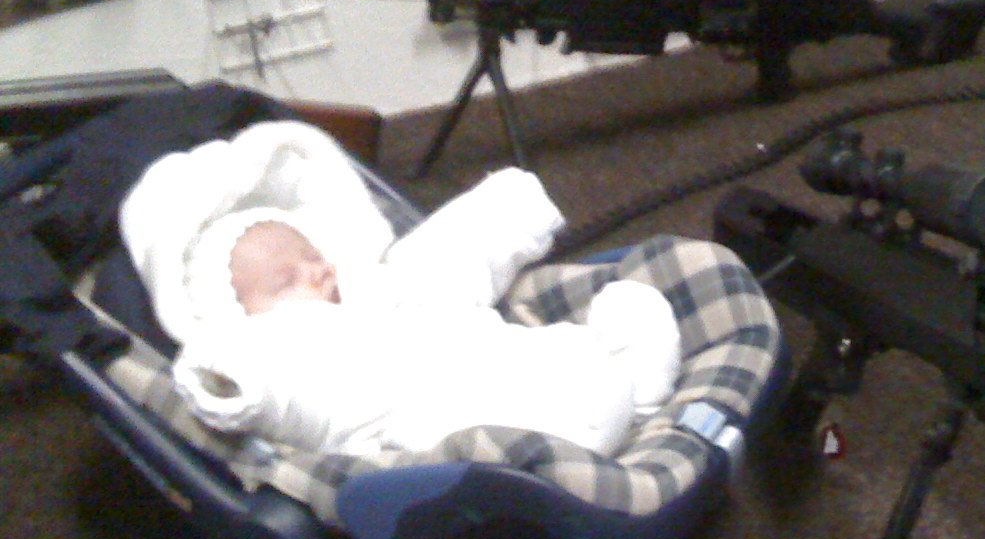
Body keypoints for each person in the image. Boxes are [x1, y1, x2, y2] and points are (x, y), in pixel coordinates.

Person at [119, 119, 681, 459]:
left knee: (586, 333)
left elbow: (447, 263)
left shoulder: (374, 282)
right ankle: (601, 419)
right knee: (476, 422)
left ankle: (633, 385)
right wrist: (230, 377)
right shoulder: (285, 352)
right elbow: (280, 395)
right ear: (240, 315)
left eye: (313, 257)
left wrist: (508, 209)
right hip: (432, 411)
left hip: (495, 351)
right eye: (287, 280)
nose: (317, 272)